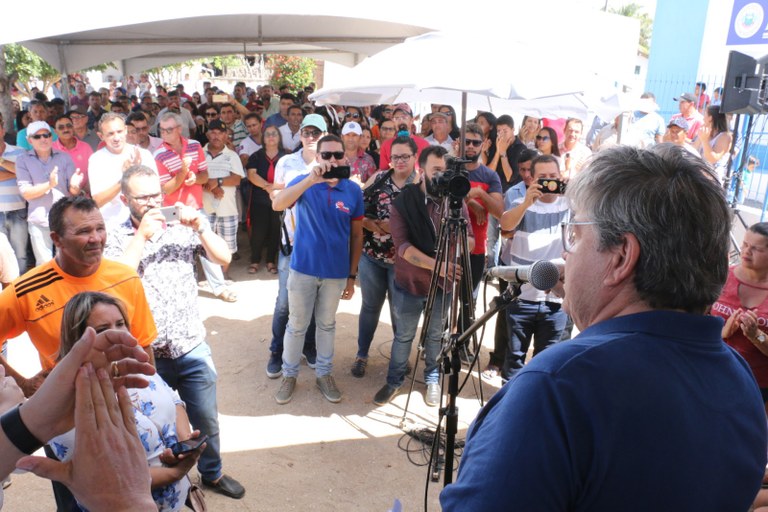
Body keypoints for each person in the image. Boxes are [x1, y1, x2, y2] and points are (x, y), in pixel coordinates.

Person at [440, 144, 768, 510]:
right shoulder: (739, 378)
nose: (566, 254)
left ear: (623, 256)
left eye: (576, 236)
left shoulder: (557, 386)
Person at [105, 165, 245, 500]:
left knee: (206, 420)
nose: (153, 202)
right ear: (126, 199)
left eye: (157, 194)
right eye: (143, 197)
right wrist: (141, 237)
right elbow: (114, 283)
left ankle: (212, 473)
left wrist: (201, 227)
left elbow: (224, 257)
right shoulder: (116, 236)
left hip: (190, 343)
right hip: (146, 352)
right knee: (155, 425)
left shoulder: (182, 225)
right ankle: (165, 479)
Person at [51, 292, 205, 511]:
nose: (117, 334)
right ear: (79, 340)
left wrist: (183, 441)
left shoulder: (136, 366)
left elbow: (174, 399)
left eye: (120, 323)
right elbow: (93, 477)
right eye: (103, 330)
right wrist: (172, 473)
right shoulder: (68, 402)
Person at [0, 195, 157, 397]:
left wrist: (153, 394)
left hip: (126, 397)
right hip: (67, 408)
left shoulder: (126, 277)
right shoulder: (27, 291)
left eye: (100, 228)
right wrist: (23, 383)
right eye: (84, 231)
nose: (96, 238)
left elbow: (143, 344)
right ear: (56, 239)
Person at [373, 145, 474, 407]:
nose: (443, 177)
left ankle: (432, 378)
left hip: (443, 285)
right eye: (437, 171)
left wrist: (456, 243)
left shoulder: (456, 202)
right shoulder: (405, 202)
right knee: (404, 335)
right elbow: (403, 247)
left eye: (447, 171)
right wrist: (438, 264)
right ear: (422, 171)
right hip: (410, 283)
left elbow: (471, 241)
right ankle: (394, 380)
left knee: (435, 335)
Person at [271, 134, 363, 404]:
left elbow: (357, 236)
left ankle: (324, 374)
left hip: (335, 273)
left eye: (337, 155)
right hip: (303, 269)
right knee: (297, 325)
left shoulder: (353, 190)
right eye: (326, 155)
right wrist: (311, 179)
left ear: (345, 157)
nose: (332, 160)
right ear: (317, 157)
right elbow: (278, 204)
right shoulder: (305, 181)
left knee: (326, 325)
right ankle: (289, 375)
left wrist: (351, 276)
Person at [497, 154, 569, 381]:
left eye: (553, 177)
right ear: (531, 178)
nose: (549, 182)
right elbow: (505, 224)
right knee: (515, 358)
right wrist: (528, 202)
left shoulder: (571, 204)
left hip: (555, 299)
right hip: (521, 296)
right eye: (543, 178)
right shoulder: (521, 203)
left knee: (547, 362)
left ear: (561, 177)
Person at [352, 136, 419, 378]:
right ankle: (361, 354)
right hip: (372, 254)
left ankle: (399, 358)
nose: (399, 161)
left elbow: (426, 223)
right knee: (370, 306)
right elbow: (359, 206)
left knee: (399, 310)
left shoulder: (421, 184)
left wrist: (397, 228)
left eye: (405, 156)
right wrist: (369, 223)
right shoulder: (379, 178)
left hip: (404, 260)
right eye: (395, 156)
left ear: (415, 157)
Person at [483, 148, 538, 380]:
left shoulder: (558, 195)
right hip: (511, 263)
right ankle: (497, 361)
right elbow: (506, 229)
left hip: (540, 265)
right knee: (505, 315)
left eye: (530, 170)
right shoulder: (513, 192)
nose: (526, 174)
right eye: (522, 170)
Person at [712, 223, 768, 413]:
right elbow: (695, 324)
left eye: (756, 248)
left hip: (755, 383)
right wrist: (721, 333)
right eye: (745, 244)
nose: (746, 251)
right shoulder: (722, 277)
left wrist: (756, 335)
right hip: (714, 371)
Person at [15, 121, 84, 265]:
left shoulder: (64, 157)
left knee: (67, 262)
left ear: (51, 136)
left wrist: (75, 187)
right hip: (39, 220)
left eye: (46, 135)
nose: (43, 139)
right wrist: (50, 185)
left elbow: (72, 191)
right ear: (29, 140)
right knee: (44, 265)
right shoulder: (22, 160)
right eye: (37, 136)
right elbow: (26, 193)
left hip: (64, 219)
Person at [88, 113, 158, 227]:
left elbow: (156, 192)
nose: (116, 138)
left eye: (119, 132)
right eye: (110, 134)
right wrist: (125, 177)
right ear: (101, 136)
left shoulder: (144, 155)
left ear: (126, 130)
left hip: (144, 223)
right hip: (112, 225)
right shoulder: (96, 160)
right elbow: (97, 201)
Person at [202, 120, 245, 280]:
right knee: (207, 245)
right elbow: (197, 177)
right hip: (205, 207)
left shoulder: (232, 155)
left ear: (226, 135)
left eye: (220, 133)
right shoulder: (200, 152)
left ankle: (224, 274)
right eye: (212, 132)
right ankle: (212, 279)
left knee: (227, 245)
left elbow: (237, 179)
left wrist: (218, 181)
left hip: (228, 208)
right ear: (207, 134)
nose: (216, 136)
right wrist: (213, 187)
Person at [245, 124, 285, 274]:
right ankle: (255, 260)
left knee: (276, 230)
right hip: (260, 198)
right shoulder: (256, 156)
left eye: (274, 133)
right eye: (267, 134)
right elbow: (251, 175)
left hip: (280, 198)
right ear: (263, 138)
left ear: (279, 137)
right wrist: (269, 187)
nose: (271, 136)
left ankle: (270, 261)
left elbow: (290, 177)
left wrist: (275, 189)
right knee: (258, 231)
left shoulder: (286, 156)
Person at [693, 105, 732, 185]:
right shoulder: (705, 133)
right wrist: (700, 137)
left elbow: (713, 159)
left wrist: (704, 140)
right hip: (698, 177)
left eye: (705, 114)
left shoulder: (725, 136)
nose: (703, 118)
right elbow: (693, 150)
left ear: (710, 118)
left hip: (712, 182)